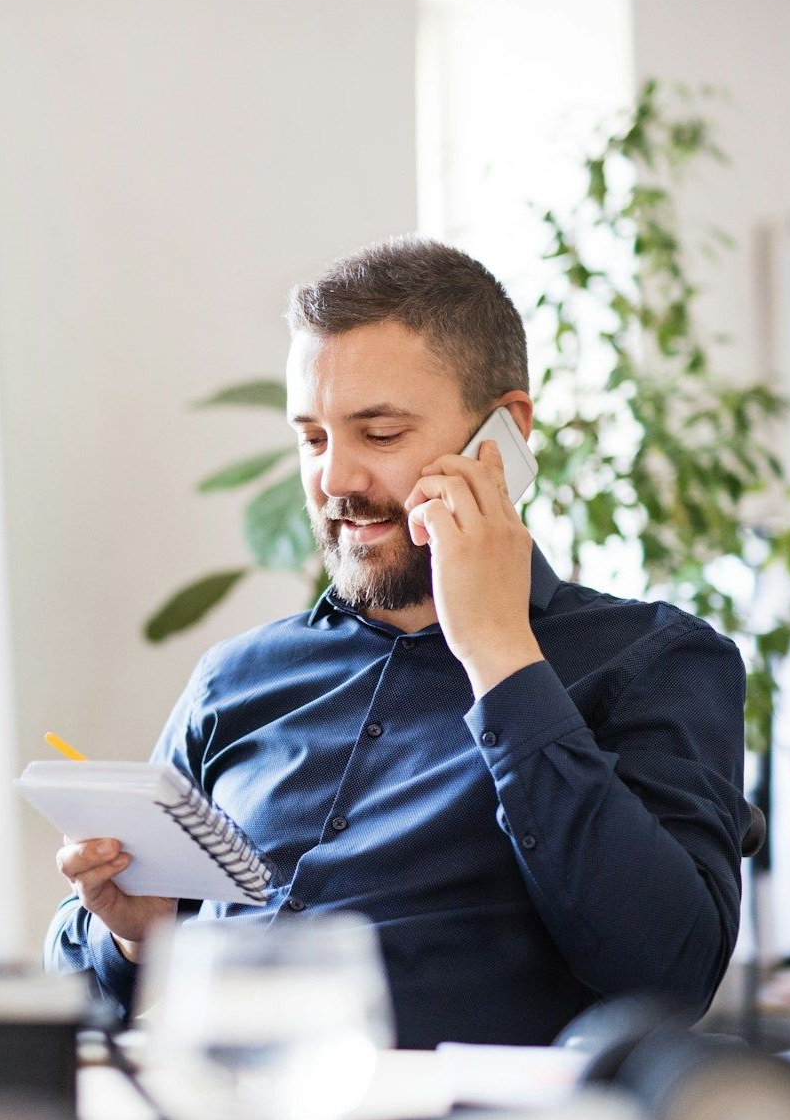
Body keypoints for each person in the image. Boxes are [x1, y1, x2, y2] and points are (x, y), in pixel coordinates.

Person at [45, 237, 749, 1049]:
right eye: (313, 439)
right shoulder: (233, 680)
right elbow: (70, 1009)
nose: (335, 481)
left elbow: (671, 973)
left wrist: (499, 655)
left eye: (378, 435)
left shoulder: (652, 660)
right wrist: (135, 937)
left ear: (504, 435)